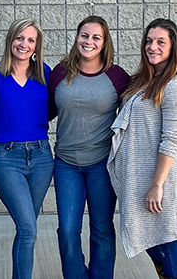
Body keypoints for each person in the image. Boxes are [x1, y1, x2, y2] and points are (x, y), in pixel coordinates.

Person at [48, 15, 130, 279]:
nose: (89, 41)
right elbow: (43, 110)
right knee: (68, 230)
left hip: (102, 165)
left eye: (96, 37)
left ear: (104, 42)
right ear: (76, 37)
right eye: (85, 35)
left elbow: (139, 109)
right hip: (66, 165)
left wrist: (176, 120)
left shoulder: (117, 77)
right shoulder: (60, 72)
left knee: (102, 229)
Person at [107, 18, 177, 279]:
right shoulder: (142, 80)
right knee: (147, 234)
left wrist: (157, 186)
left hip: (161, 177)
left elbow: (171, 140)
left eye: (160, 42)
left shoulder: (173, 86)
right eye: (149, 41)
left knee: (166, 237)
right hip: (140, 174)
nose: (152, 47)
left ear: (173, 47)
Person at [0, 18, 54, 279]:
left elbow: (55, 109)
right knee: (28, 228)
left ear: (37, 46)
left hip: (41, 157)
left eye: (30, 40)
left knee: (28, 228)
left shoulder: (45, 74)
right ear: (10, 39)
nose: (23, 44)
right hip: (6, 158)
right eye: (19, 38)